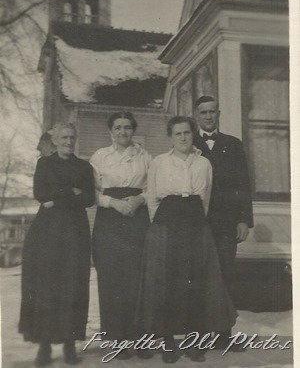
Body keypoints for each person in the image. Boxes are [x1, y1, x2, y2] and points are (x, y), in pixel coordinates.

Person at [137, 116, 237, 363]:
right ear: (170, 137)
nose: (183, 137)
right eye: (177, 134)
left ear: (193, 135)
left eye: (187, 133)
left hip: (195, 223)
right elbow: (152, 198)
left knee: (196, 282)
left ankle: (194, 343)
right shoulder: (159, 162)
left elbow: (206, 197)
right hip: (166, 223)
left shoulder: (204, 164)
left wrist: (196, 223)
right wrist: (159, 227)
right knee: (166, 282)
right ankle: (168, 341)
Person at [19, 122, 95, 366]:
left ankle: (70, 344)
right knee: (46, 286)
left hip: (75, 233)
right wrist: (69, 191)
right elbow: (41, 194)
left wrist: (56, 199)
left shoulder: (84, 167)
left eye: (72, 137)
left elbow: (89, 198)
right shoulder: (45, 164)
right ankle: (44, 346)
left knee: (73, 286)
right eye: (64, 137)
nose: (68, 141)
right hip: (47, 234)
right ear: (55, 140)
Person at [90, 112, 152, 360]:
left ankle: (141, 339)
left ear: (133, 130)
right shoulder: (100, 157)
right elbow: (90, 191)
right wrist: (113, 203)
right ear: (111, 131)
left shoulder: (145, 157)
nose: (123, 132)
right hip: (109, 220)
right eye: (118, 127)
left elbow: (154, 187)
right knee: (112, 280)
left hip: (137, 219)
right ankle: (118, 340)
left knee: (138, 278)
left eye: (127, 127)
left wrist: (139, 199)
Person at [193, 96, 254, 350]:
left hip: (227, 222)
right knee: (197, 275)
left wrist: (243, 220)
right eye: (203, 112)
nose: (208, 116)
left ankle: (223, 334)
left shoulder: (233, 144)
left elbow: (243, 184)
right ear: (196, 114)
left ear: (219, 113)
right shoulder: (189, 141)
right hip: (196, 221)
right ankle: (198, 335)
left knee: (224, 275)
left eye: (212, 112)